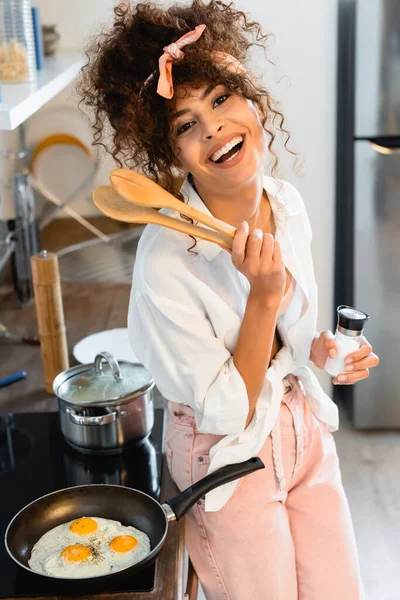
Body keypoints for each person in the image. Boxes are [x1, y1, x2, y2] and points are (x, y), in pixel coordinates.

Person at [78, 2, 379, 598]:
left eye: (220, 99)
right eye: (186, 124)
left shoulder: (285, 204)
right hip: (226, 458)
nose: (212, 128)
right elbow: (227, 410)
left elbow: (289, 332)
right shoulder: (168, 259)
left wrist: (321, 347)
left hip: (302, 432)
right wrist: (263, 299)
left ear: (251, 99)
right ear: (168, 152)